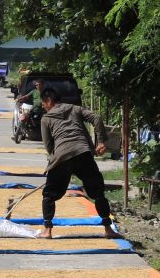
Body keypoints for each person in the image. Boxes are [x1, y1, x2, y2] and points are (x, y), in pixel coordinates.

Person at [37, 86, 118, 239]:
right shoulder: (75, 109)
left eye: (43, 103)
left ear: (49, 101)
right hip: (83, 154)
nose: (43, 107)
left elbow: (49, 146)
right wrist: (100, 142)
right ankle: (108, 229)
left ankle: (47, 231)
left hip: (62, 158)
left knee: (49, 195)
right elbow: (97, 118)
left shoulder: (46, 119)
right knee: (98, 193)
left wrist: (55, 160)